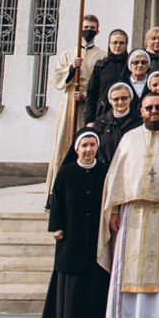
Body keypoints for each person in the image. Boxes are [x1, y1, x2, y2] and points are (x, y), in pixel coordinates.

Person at [98, 92, 159, 318]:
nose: (154, 112)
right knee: (127, 262)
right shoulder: (129, 138)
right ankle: (125, 314)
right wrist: (116, 211)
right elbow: (118, 176)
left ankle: (157, 314)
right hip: (131, 212)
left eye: (158, 107)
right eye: (149, 107)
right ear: (140, 110)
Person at [42, 129, 110, 318]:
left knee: (92, 272)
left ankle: (91, 315)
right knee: (72, 271)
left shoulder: (104, 170)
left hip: (95, 232)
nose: (88, 150)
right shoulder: (67, 171)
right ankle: (69, 317)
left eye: (92, 145)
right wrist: (57, 226)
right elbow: (58, 200)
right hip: (71, 232)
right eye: (84, 146)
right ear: (76, 149)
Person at [47, 13, 102, 198]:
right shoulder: (69, 53)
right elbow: (56, 79)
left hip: (88, 105)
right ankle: (56, 192)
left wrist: (86, 95)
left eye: (91, 29)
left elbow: (101, 85)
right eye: (85, 28)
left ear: (97, 31)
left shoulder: (101, 55)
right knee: (65, 143)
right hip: (70, 102)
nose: (88, 31)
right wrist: (71, 69)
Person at [87, 29, 131, 123]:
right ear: (109, 44)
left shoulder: (131, 66)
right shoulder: (101, 66)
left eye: (121, 43)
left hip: (127, 115)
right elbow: (91, 93)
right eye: (115, 42)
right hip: (104, 114)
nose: (118, 46)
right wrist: (89, 120)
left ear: (126, 45)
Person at [90, 83, 140, 162]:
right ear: (110, 101)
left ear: (130, 98)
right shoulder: (100, 122)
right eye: (116, 99)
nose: (120, 102)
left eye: (124, 98)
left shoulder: (139, 121)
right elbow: (97, 149)